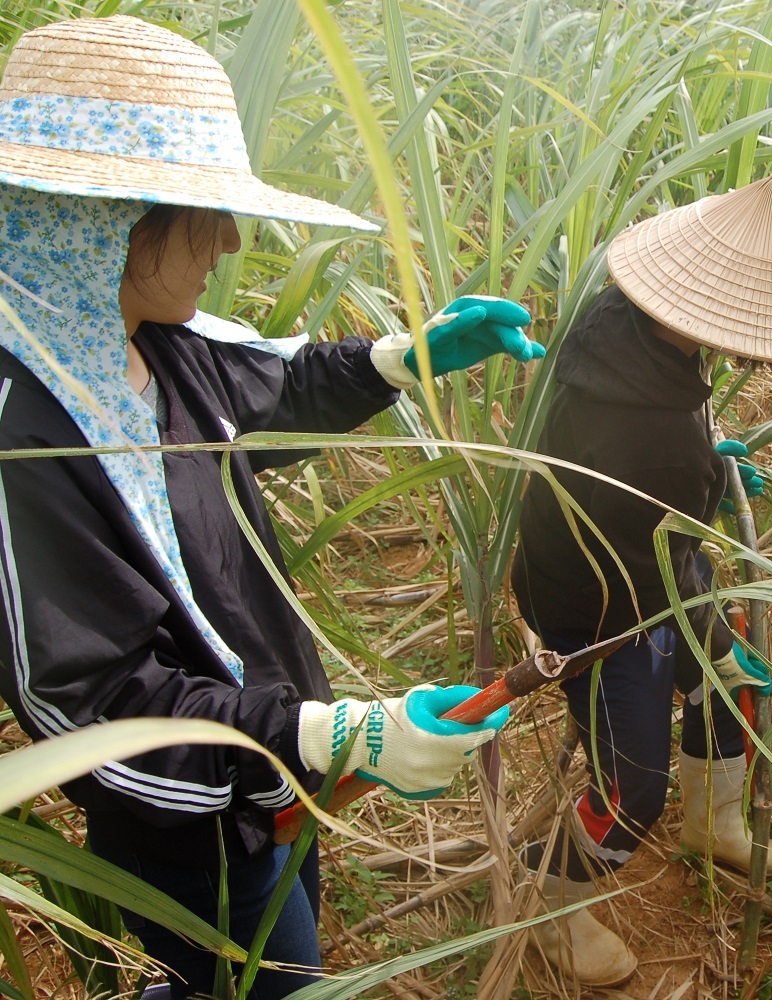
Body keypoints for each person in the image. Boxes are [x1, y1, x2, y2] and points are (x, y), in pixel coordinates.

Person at [0, 17, 542, 999]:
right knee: (265, 973)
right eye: (203, 214)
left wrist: (406, 357)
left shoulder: (155, 339)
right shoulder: (23, 430)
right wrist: (336, 735)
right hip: (185, 816)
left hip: (268, 762)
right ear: (111, 219)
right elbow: (94, 708)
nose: (231, 243)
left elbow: (271, 392)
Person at [510, 174, 772, 986]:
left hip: (646, 570)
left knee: (737, 682)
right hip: (609, 605)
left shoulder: (625, 328)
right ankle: (552, 899)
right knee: (633, 787)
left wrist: (706, 458)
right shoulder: (647, 428)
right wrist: (703, 476)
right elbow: (660, 500)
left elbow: (660, 466)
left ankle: (715, 827)